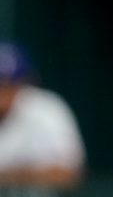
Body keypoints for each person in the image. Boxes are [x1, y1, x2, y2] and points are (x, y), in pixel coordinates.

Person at [0, 42, 86, 194]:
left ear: (23, 83)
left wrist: (13, 175)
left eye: (8, 84)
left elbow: (69, 174)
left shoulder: (46, 110)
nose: (3, 92)